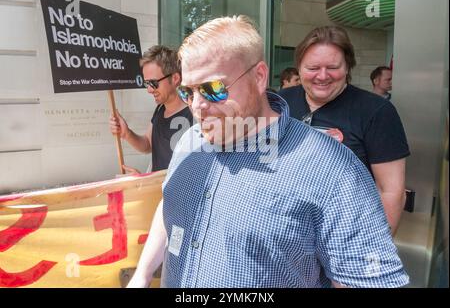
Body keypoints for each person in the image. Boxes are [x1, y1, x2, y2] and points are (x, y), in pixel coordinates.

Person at [128, 16, 408, 288]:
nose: (198, 106)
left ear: (259, 77)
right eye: (189, 92)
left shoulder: (333, 169)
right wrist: (142, 276)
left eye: (212, 89)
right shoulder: (189, 142)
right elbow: (171, 202)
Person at [279, 26, 410, 235]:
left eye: (333, 67)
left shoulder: (376, 111)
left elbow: (391, 191)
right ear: (299, 68)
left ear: (347, 67)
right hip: (285, 234)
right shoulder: (280, 103)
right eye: (313, 68)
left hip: (345, 237)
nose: (322, 76)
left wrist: (373, 250)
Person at [109, 45, 193, 173]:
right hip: (157, 191)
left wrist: (146, 181)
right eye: (147, 83)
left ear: (175, 78)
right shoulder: (160, 109)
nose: (149, 90)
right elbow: (147, 145)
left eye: (153, 83)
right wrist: (127, 133)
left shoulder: (194, 116)